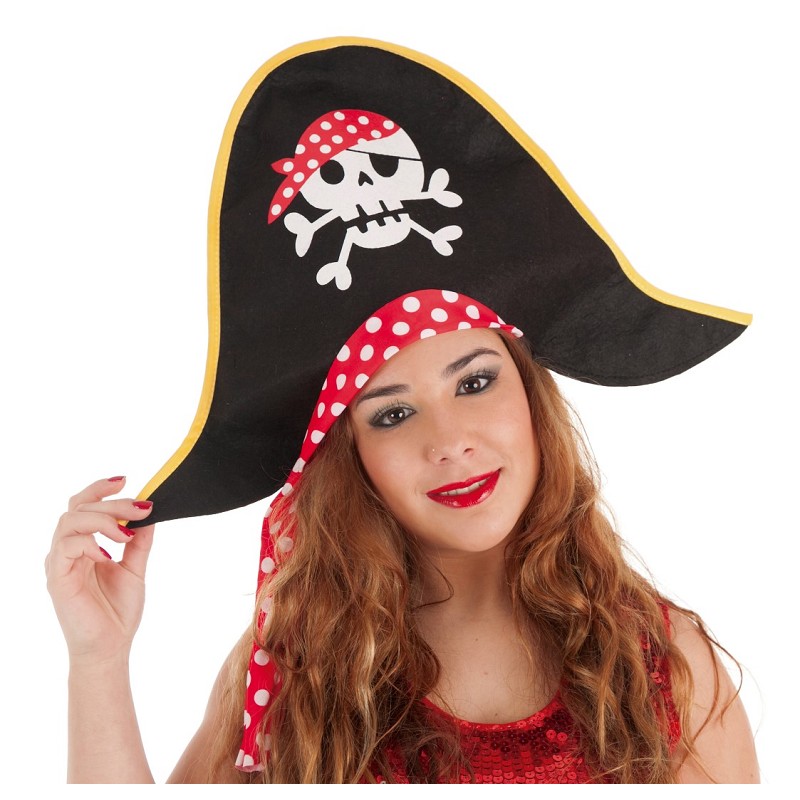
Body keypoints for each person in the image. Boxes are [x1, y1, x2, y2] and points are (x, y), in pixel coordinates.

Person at [45, 39, 759, 783]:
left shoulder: (661, 664)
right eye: (391, 415)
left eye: (474, 383)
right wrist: (98, 661)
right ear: (350, 455)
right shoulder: (294, 668)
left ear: (530, 395)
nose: (448, 441)